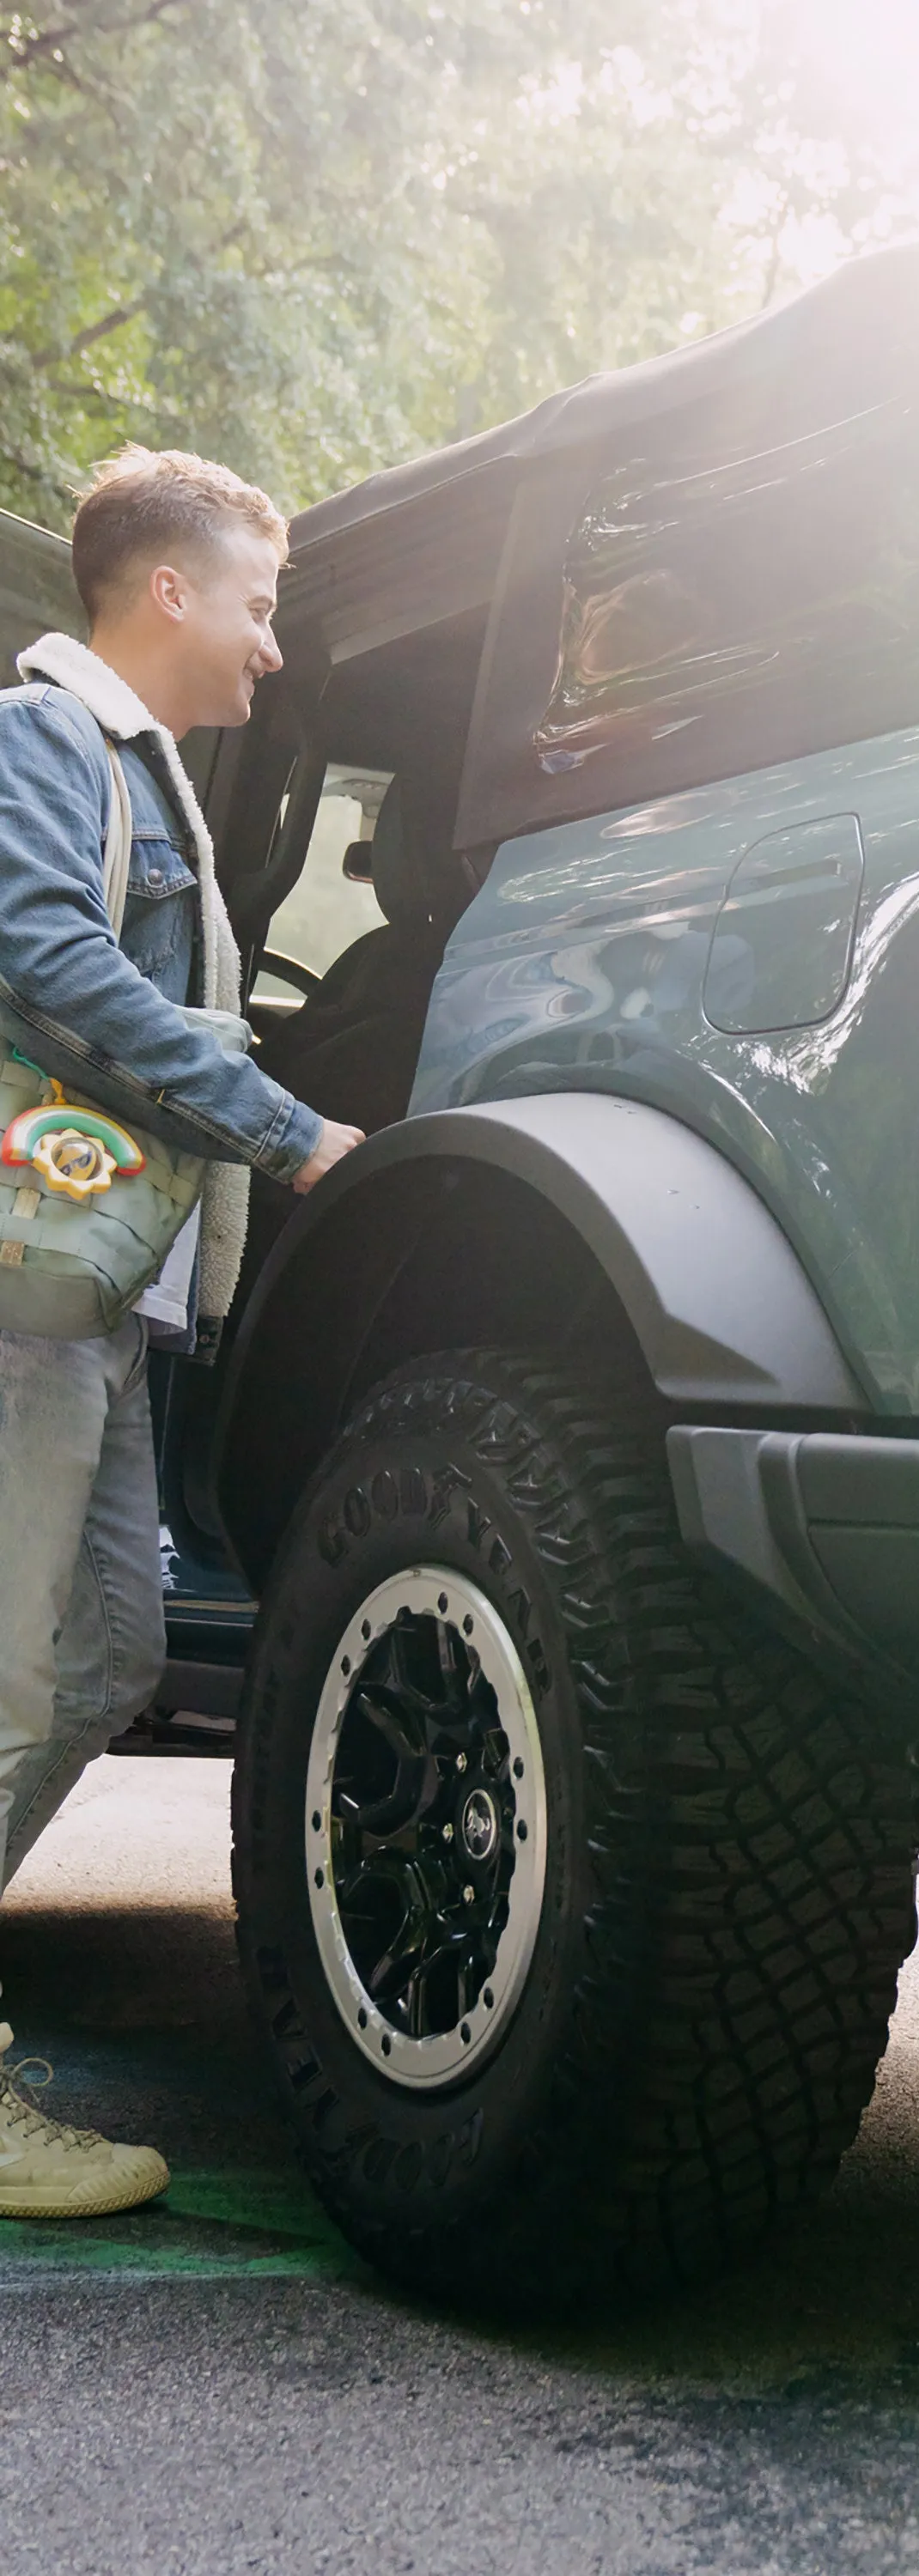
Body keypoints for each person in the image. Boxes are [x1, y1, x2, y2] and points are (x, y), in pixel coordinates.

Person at [0, 448, 364, 2219]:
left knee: (105, 1659)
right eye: (260, 605)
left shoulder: (143, 773)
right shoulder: (51, 743)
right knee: (10, 1673)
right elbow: (48, 961)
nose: (271, 649)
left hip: (92, 1290)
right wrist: (289, 1125)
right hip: (19, 1280)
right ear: (168, 592)